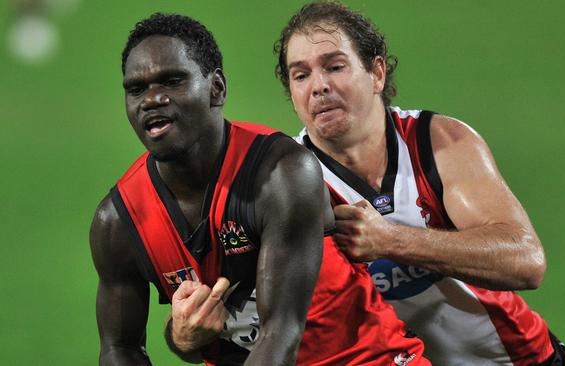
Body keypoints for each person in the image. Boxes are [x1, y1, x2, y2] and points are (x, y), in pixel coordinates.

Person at [90, 12, 430, 366]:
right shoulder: (118, 221)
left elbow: (279, 335)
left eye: (172, 81)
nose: (152, 99)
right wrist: (183, 337)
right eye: (136, 89)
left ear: (216, 89)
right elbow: (120, 349)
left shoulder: (282, 174)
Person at [275, 1, 565, 365]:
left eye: (335, 67)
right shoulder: (285, 180)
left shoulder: (438, 142)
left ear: (377, 73)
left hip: (515, 359)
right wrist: (185, 330)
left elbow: (526, 261)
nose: (319, 87)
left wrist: (390, 240)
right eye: (301, 75)